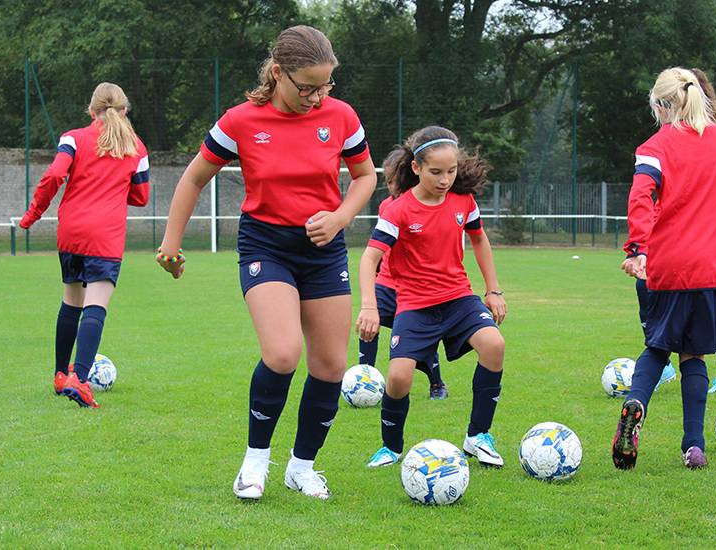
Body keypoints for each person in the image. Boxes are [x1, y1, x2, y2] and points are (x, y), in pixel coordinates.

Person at [156, 25, 376, 501]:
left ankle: (302, 467)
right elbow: (193, 179)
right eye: (308, 87)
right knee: (281, 354)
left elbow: (364, 176)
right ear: (278, 74)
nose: (318, 97)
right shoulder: (240, 121)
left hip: (323, 250)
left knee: (332, 366)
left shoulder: (340, 117)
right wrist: (171, 245)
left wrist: (339, 217)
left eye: (326, 86)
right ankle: (254, 463)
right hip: (266, 246)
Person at [613, 67, 716, 470]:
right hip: (713, 267)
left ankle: (636, 402)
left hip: (670, 264)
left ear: (659, 105)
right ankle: (694, 446)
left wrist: (638, 247)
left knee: (657, 345)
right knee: (695, 355)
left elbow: (641, 194)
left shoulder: (654, 146)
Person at [356, 126, 507, 469]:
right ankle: (391, 448)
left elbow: (480, 240)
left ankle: (478, 436)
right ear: (417, 168)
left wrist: (493, 290)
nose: (445, 180)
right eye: (436, 172)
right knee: (398, 378)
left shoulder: (463, 201)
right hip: (415, 305)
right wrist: (369, 306)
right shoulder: (399, 210)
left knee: (494, 345)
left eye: (451, 171)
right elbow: (369, 258)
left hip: (457, 298)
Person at [20, 82, 149, 409]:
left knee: (71, 301)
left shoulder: (72, 139)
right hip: (104, 235)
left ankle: (61, 374)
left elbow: (54, 176)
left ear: (91, 112)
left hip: (70, 232)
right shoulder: (136, 147)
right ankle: (80, 378)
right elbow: (141, 196)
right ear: (124, 111)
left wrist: (33, 214)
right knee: (96, 306)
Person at [635, 68, 716, 394]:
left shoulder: (713, 138)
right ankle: (665, 363)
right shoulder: (665, 143)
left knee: (710, 302)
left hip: (696, 240)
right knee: (647, 288)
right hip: (665, 233)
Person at [357, 149, 449, 400]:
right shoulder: (388, 206)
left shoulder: (426, 204)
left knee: (418, 337)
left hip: (414, 289)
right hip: (385, 283)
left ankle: (436, 383)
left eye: (393, 180)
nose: (390, 186)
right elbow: (377, 247)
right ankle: (366, 377)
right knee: (368, 326)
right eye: (386, 181)